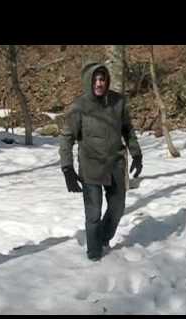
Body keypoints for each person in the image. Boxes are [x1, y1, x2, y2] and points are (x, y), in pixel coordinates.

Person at [59, 62, 143, 262]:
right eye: (95, 79)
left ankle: (103, 238)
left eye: (103, 79)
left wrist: (137, 154)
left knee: (117, 207)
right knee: (94, 213)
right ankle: (94, 252)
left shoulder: (118, 102)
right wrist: (67, 168)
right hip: (91, 167)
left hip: (115, 164)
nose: (99, 83)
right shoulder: (79, 106)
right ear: (89, 81)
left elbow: (128, 129)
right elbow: (66, 138)